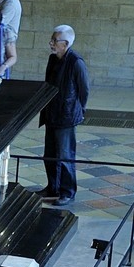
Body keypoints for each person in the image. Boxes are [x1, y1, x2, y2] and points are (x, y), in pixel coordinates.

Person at [40, 24, 89, 207]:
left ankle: (67, 191)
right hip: (51, 113)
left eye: (55, 40)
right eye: (52, 40)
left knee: (65, 155)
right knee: (50, 154)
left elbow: (84, 90)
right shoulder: (53, 59)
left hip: (66, 116)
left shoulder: (76, 62)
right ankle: (52, 187)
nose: (51, 44)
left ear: (65, 43)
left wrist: (79, 111)